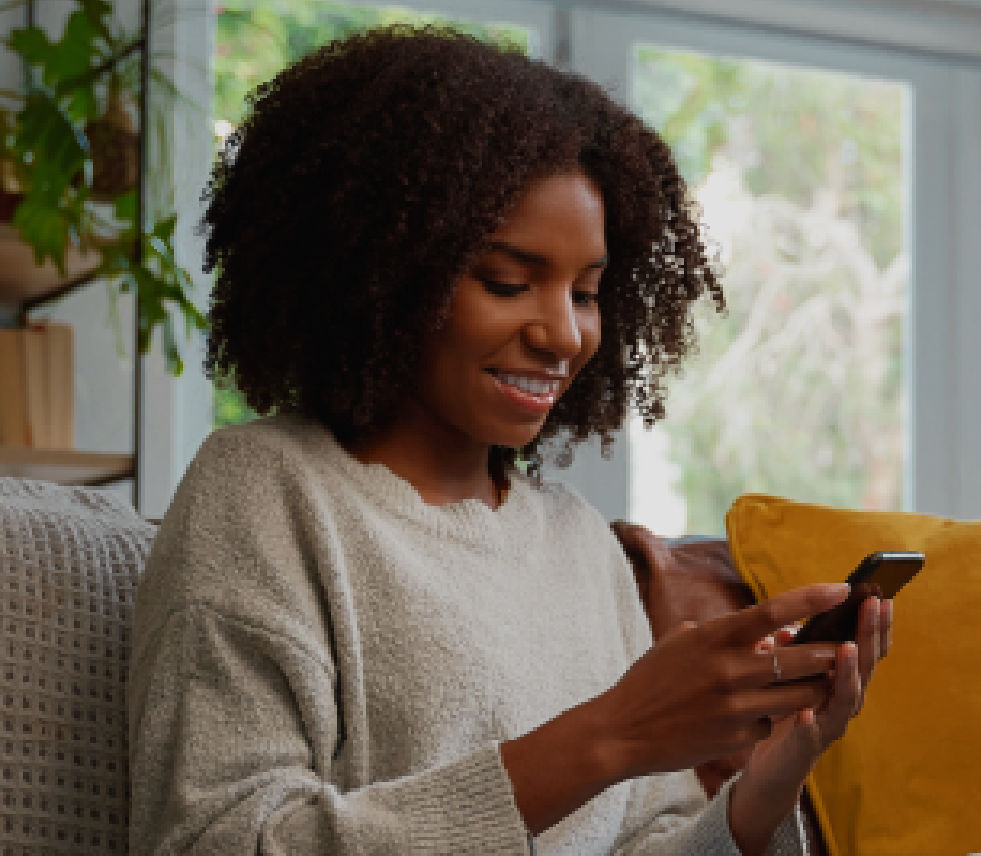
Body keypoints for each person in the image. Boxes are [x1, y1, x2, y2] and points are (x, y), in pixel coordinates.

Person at [128, 26, 891, 856]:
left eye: (589, 292)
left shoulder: (573, 541)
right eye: (507, 282)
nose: (563, 334)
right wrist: (609, 736)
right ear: (382, 270)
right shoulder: (265, 492)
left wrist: (766, 785)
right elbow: (218, 841)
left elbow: (647, 840)